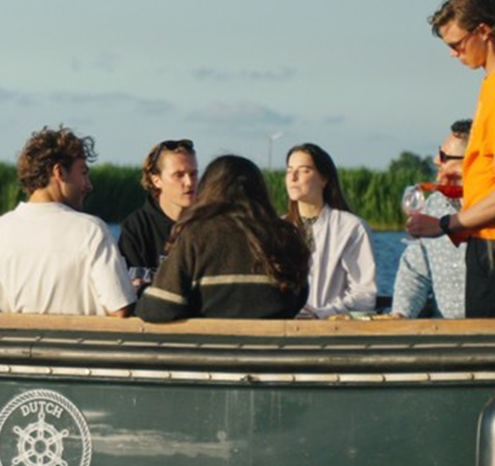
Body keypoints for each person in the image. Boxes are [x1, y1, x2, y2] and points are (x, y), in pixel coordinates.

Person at [0, 126, 135, 316]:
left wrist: (9, 308)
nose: (89, 185)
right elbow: (119, 308)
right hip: (78, 343)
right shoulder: (92, 231)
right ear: (59, 172)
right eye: (83, 173)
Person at [406, 0, 495, 317]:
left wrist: (446, 223)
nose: (453, 54)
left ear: (483, 31)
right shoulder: (488, 85)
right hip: (482, 240)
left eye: (457, 44)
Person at [137, 155, 309, 321]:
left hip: (212, 348)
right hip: (277, 349)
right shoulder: (285, 235)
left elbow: (160, 308)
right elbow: (298, 298)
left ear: (209, 190)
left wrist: (140, 292)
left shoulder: (196, 235)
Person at [285, 143, 378, 317]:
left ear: (324, 178)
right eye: (289, 170)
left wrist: (320, 313)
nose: (293, 177)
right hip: (283, 327)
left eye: (304, 170)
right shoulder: (277, 228)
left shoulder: (351, 227)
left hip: (330, 328)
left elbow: (364, 296)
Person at [392, 120, 470, 319]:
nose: (436, 160)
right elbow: (415, 270)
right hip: (445, 335)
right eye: (438, 152)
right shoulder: (434, 204)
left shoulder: (488, 208)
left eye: (444, 156)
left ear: (472, 161)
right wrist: (401, 315)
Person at [118, 139, 198, 284]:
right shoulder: (136, 228)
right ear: (156, 180)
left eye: (193, 174)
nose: (189, 182)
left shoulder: (210, 224)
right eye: (179, 175)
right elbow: (132, 287)